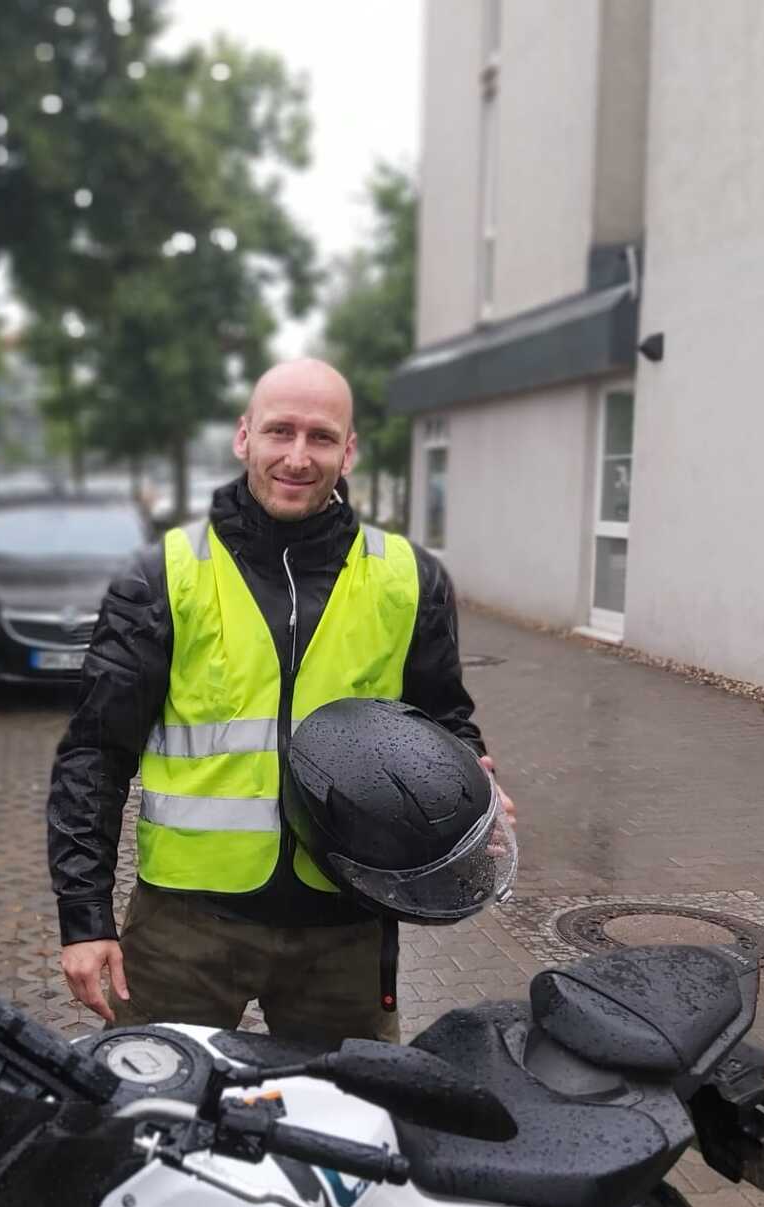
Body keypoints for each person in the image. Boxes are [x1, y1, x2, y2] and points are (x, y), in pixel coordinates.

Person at [46, 358, 514, 1044]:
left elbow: (443, 719)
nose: (298, 457)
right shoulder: (166, 574)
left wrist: (472, 779)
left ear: (348, 451)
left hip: (347, 926)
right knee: (156, 1099)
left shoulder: (408, 579)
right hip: (186, 929)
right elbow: (95, 753)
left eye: (321, 437)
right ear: (244, 437)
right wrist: (84, 918)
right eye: (280, 432)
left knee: (355, 1106)